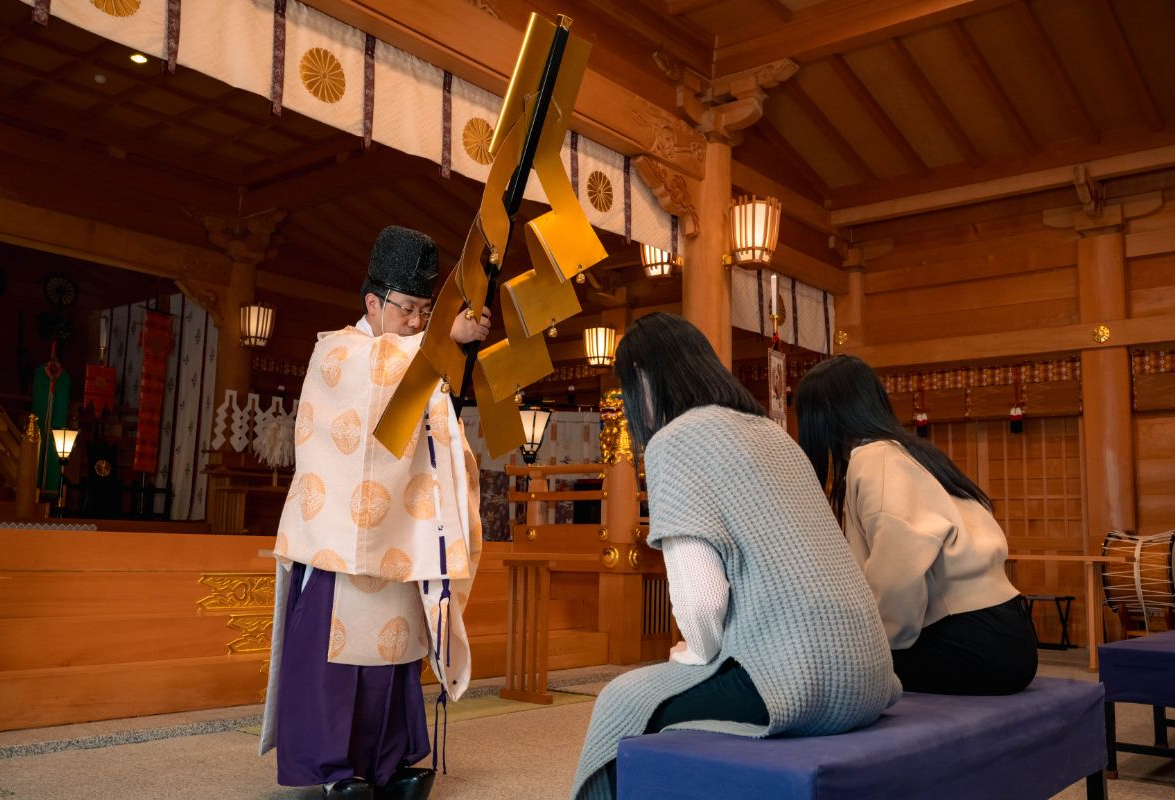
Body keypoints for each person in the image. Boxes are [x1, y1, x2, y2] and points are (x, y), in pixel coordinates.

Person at [571, 313, 901, 800]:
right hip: (871, 676)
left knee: (620, 700)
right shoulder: (774, 434)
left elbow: (701, 598)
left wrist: (697, 654)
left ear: (642, 378)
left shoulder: (674, 440)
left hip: (798, 683)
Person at [259, 226, 492, 800]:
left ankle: (389, 764)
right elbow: (375, 379)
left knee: (393, 655)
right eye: (408, 310)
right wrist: (445, 337)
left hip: (402, 530)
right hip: (339, 539)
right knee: (339, 662)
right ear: (372, 302)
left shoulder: (414, 357)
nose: (416, 321)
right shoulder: (338, 350)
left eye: (423, 311)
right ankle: (335, 770)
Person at [793, 354, 1037, 695]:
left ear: (823, 417)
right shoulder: (914, 452)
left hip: (972, 639)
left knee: (828, 669)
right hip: (1007, 629)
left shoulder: (873, 459)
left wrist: (877, 647)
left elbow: (900, 564)